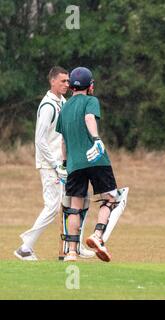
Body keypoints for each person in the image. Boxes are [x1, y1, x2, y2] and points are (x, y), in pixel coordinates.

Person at [14, 66, 94, 261]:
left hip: (63, 164)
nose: (67, 84)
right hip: (50, 166)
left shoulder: (63, 102)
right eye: (63, 81)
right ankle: (25, 248)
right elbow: (39, 140)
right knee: (53, 207)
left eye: (68, 81)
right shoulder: (48, 106)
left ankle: (75, 244)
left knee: (79, 201)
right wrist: (55, 164)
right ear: (52, 82)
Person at [56, 67, 122, 262]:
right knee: (110, 198)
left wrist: (64, 163)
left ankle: (71, 252)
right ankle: (97, 235)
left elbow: (63, 141)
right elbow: (89, 117)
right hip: (96, 159)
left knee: (75, 208)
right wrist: (96, 139)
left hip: (74, 164)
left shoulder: (64, 107)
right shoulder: (91, 100)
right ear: (90, 85)